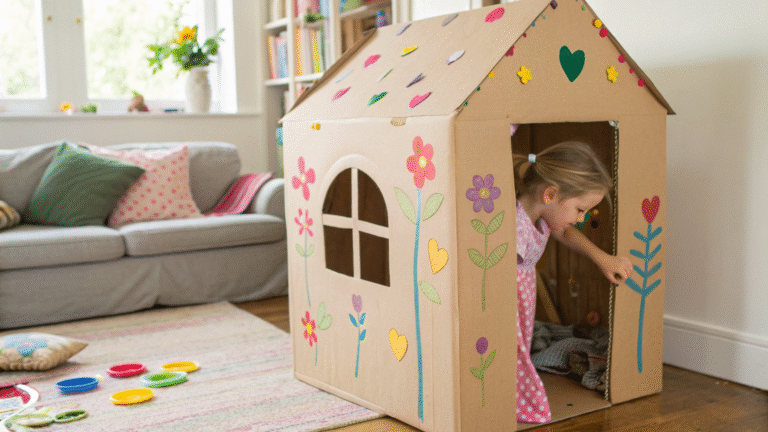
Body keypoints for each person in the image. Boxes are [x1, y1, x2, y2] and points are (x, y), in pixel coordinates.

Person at [512, 141, 632, 423]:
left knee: (520, 346)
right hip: (508, 302)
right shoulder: (514, 224)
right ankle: (523, 401)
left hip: (522, 303)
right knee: (512, 351)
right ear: (551, 194)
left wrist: (603, 259)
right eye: (580, 209)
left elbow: (565, 234)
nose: (581, 219)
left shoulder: (542, 217)